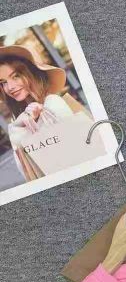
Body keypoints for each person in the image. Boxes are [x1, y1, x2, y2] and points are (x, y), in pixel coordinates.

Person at [0, 45, 74, 181]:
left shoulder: (52, 104)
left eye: (16, 76)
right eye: (3, 82)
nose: (10, 87)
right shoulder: (19, 119)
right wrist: (18, 126)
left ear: (31, 73)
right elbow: (27, 170)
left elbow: (75, 149)